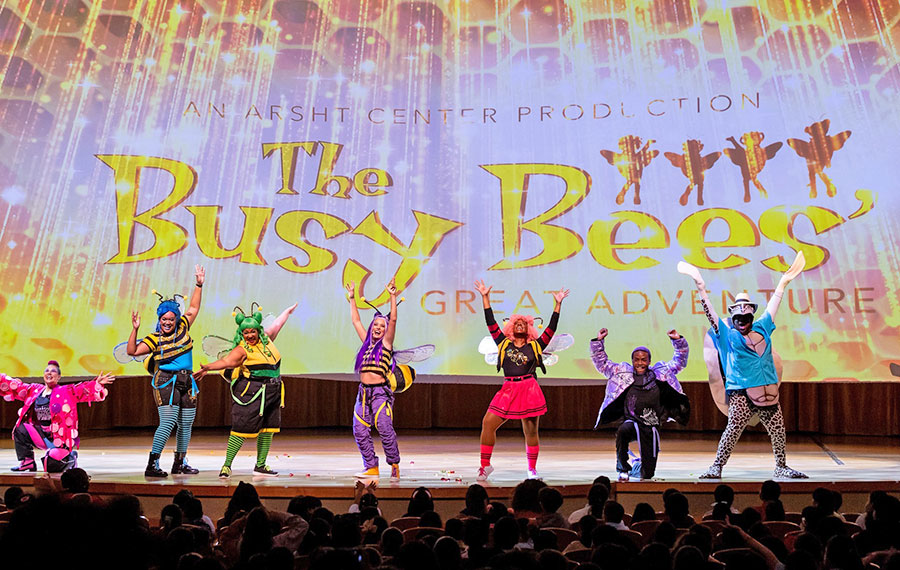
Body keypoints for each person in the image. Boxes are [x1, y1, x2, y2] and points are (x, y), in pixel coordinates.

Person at [679, 254, 808, 479]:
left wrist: (783, 282)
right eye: (737, 316)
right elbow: (710, 314)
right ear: (733, 316)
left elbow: (774, 304)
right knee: (733, 429)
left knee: (778, 430)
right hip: (741, 392)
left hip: (767, 393)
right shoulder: (727, 335)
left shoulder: (763, 327)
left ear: (751, 315)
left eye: (745, 315)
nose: (741, 320)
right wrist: (701, 288)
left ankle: (781, 465)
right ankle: (717, 466)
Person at [473, 279, 569, 480]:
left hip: (529, 389)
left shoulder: (536, 346)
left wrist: (558, 305)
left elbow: (551, 328)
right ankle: (485, 465)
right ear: (510, 327)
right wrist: (485, 298)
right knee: (488, 423)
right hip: (508, 389)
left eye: (523, 323)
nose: (519, 324)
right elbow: (490, 323)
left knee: (530, 432)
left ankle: (532, 470)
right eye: (516, 322)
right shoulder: (502, 343)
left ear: (529, 328)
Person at [194, 302, 297, 477]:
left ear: (258, 330)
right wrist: (208, 367)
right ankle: (227, 465)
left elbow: (277, 324)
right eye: (245, 332)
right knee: (241, 429)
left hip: (273, 390)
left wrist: (287, 311)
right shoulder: (242, 349)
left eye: (252, 331)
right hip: (253, 392)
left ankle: (261, 465)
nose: (249, 335)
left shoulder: (267, 339)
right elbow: (226, 362)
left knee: (268, 428)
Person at [126, 265, 205, 477]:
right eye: (164, 319)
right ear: (159, 319)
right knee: (169, 422)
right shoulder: (154, 339)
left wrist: (199, 284)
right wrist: (135, 329)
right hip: (166, 381)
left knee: (186, 422)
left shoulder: (183, 328)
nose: (168, 322)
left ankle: (180, 463)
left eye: (171, 319)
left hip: (188, 382)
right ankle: (152, 464)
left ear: (176, 319)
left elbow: (194, 308)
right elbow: (132, 351)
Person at [591, 328, 690, 481]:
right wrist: (599, 341)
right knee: (624, 430)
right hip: (632, 422)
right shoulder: (621, 373)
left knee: (648, 474)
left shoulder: (661, 373)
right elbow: (602, 363)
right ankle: (623, 468)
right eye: (637, 360)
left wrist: (677, 340)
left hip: (651, 426)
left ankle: (638, 466)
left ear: (649, 361)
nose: (640, 363)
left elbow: (679, 361)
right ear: (632, 361)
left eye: (643, 360)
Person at [1, 361, 114, 472]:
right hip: (42, 437)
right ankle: (27, 462)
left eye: (53, 371)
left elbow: (82, 390)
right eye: (47, 370)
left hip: (60, 440)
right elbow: (15, 387)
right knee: (20, 429)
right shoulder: (35, 390)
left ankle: (71, 458)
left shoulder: (66, 391)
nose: (49, 373)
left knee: (50, 466)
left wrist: (97, 384)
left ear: (59, 377)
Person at [346, 279, 404, 479]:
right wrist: (352, 298)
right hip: (363, 393)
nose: (378, 328)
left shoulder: (386, 344)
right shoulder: (366, 344)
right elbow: (355, 321)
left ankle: (394, 463)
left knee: (385, 429)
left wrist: (392, 296)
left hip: (380, 393)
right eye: (376, 325)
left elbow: (394, 320)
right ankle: (371, 466)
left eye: (382, 325)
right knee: (359, 430)